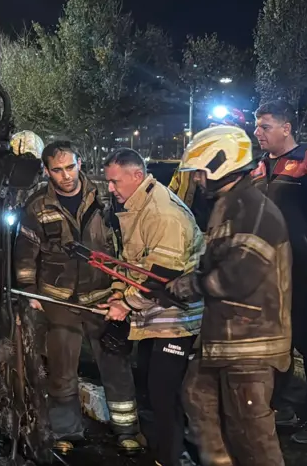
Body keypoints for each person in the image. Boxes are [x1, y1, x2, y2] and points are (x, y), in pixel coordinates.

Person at [166, 125, 292, 466]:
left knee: (252, 436)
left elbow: (240, 276)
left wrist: (192, 285)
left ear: (220, 164)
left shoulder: (251, 209)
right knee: (197, 395)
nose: (197, 180)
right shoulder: (230, 205)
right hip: (224, 336)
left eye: (200, 172)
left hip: (251, 343)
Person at [13, 141, 142, 453]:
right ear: (47, 171)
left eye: (70, 167)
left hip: (103, 297)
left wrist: (121, 292)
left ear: (80, 163)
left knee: (115, 365)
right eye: (57, 170)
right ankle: (66, 433)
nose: (66, 175)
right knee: (62, 371)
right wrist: (30, 292)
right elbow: (26, 254)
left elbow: (123, 245)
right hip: (59, 301)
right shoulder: (37, 206)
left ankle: (127, 431)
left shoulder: (105, 198)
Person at [101, 148, 203, 466]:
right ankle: (171, 449)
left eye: (115, 181)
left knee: (164, 392)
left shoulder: (161, 213)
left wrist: (124, 305)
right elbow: (131, 262)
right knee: (153, 386)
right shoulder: (138, 206)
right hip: (155, 314)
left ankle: (173, 457)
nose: (110, 189)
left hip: (177, 317)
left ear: (136, 176)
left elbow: (162, 276)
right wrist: (118, 293)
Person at [251, 100, 307, 443]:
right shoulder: (261, 166)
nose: (258, 133)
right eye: (257, 126)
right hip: (267, 273)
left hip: (303, 271)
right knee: (277, 343)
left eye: (265, 126)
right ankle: (283, 407)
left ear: (286, 127)